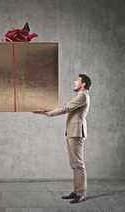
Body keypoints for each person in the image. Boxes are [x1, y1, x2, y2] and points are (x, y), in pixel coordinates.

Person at [32, 74, 91, 203]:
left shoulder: (83, 95)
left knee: (78, 164)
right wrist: (45, 111)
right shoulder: (81, 95)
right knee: (74, 164)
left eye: (77, 80)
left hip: (76, 133)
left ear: (84, 84)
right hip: (72, 132)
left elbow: (66, 109)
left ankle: (81, 193)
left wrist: (46, 112)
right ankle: (77, 191)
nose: (75, 82)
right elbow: (67, 108)